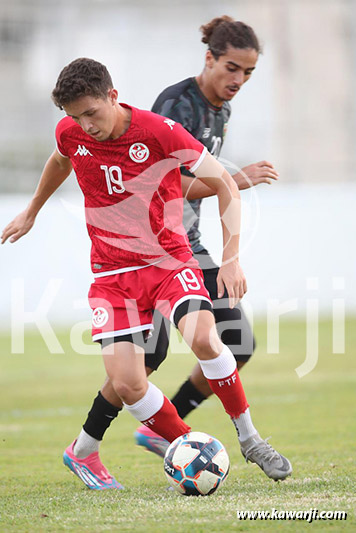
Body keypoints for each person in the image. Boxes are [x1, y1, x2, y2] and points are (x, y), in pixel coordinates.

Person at [2, 56, 291, 491]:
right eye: (75, 117)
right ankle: (188, 446)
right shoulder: (71, 131)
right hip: (112, 276)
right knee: (129, 382)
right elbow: (60, 160)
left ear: (113, 97)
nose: (85, 125)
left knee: (204, 338)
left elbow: (224, 184)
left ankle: (250, 439)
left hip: (170, 263)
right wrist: (32, 211)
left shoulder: (159, 131)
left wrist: (231, 259)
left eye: (91, 113)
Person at [68, 15, 285, 480]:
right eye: (232, 68)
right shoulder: (175, 105)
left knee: (226, 341)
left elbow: (202, 181)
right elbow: (165, 183)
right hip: (155, 249)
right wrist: (238, 180)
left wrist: (229, 236)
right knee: (140, 367)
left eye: (248, 73)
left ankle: (174, 432)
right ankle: (100, 443)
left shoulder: (220, 110)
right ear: (209, 59)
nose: (239, 81)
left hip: (182, 248)